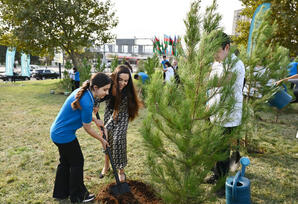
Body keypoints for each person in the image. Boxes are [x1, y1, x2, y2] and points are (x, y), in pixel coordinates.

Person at [50, 73, 111, 203]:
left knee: (65, 163)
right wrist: (102, 140)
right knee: (77, 162)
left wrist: (95, 120)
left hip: (57, 132)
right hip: (64, 135)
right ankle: (78, 196)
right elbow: (87, 128)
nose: (107, 93)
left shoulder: (84, 92)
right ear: (95, 87)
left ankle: (61, 193)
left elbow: (83, 114)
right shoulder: (87, 100)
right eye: (105, 89)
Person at [206, 32, 245, 196]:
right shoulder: (216, 62)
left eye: (216, 51)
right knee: (213, 147)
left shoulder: (236, 64)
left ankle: (221, 186)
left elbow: (221, 82)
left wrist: (196, 76)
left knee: (222, 152)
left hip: (228, 115)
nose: (214, 55)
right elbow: (212, 88)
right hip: (214, 111)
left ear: (227, 48)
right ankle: (216, 175)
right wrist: (208, 104)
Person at [99, 65, 141, 182]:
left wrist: (106, 127)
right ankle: (106, 165)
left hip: (121, 114)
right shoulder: (108, 84)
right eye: (120, 80)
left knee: (118, 140)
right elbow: (97, 94)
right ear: (115, 78)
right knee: (107, 139)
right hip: (109, 111)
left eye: (126, 81)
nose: (123, 83)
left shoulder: (126, 93)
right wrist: (95, 105)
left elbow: (116, 113)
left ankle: (121, 170)